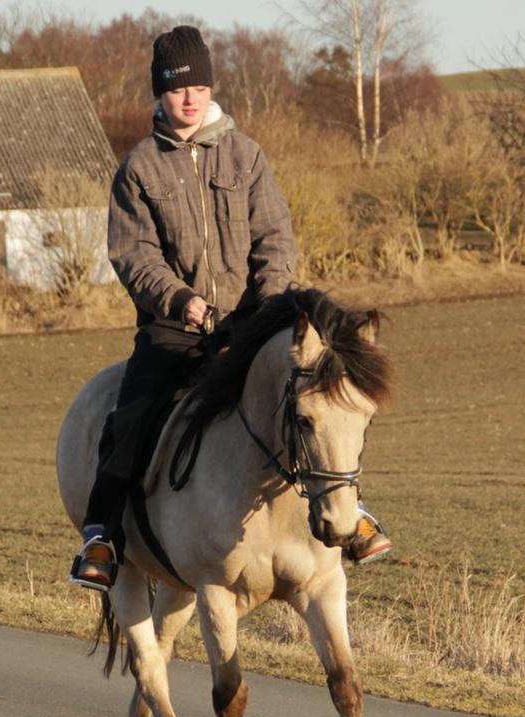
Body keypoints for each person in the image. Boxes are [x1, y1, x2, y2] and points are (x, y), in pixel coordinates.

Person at [71, 25, 391, 591]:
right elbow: (132, 253)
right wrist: (180, 300)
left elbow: (275, 236)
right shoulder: (139, 167)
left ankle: (351, 511)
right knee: (131, 418)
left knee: (320, 398)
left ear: (210, 86)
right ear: (160, 94)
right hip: (174, 328)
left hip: (250, 324)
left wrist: (268, 307)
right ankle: (102, 536)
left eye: (197, 85)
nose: (189, 98)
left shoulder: (247, 155)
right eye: (176, 89)